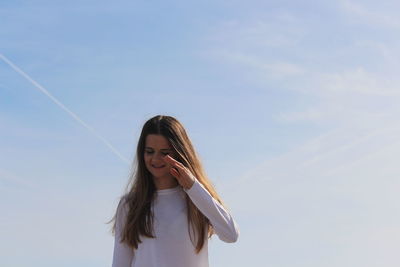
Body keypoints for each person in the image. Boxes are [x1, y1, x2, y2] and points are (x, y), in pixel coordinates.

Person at [108, 115, 239, 267]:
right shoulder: (130, 205)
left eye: (165, 153)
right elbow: (120, 262)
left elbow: (231, 234)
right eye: (150, 151)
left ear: (179, 153)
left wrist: (193, 187)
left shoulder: (196, 198)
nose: (156, 159)